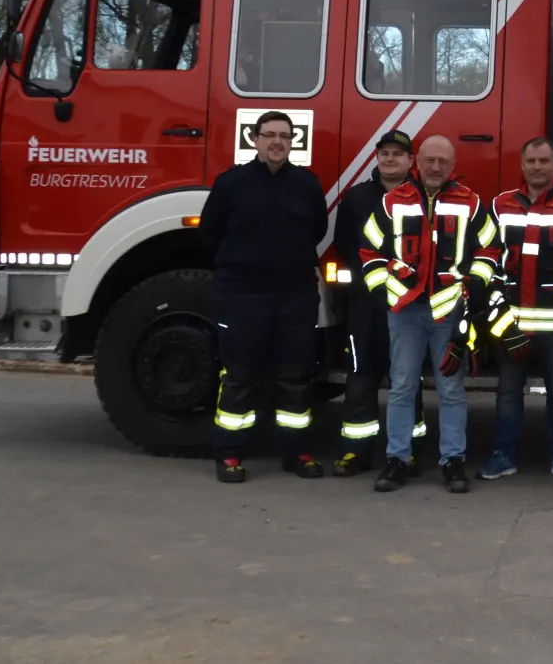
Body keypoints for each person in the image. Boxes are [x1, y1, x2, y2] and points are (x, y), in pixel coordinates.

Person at [359, 135, 493, 494]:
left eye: (443, 162)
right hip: (404, 311)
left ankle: (453, 461)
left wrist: (473, 287)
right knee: (402, 387)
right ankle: (397, 460)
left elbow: (491, 250)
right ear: (417, 161)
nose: (436, 168)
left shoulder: (472, 202)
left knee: (452, 389)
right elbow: (369, 249)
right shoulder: (392, 202)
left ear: (453, 165)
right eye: (430, 160)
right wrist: (382, 290)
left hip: (450, 312)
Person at [201, 111, 328, 483]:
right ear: (254, 139)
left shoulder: (307, 185)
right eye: (269, 135)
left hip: (295, 294)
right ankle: (228, 455)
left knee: (295, 376)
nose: (277, 142)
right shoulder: (231, 184)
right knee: (240, 375)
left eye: (285, 136)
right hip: (244, 294)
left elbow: (317, 230)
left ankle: (296, 452)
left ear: (293, 142)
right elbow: (210, 234)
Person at [477, 137, 553, 482]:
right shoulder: (501, 206)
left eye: (543, 161)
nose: (537, 167)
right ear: (522, 165)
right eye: (531, 161)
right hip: (511, 322)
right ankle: (503, 454)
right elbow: (487, 261)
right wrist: (499, 319)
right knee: (507, 393)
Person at [330, 129, 426, 478]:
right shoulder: (356, 199)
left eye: (397, 154)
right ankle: (357, 452)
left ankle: (408, 451)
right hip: (366, 303)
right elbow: (344, 245)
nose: (390, 159)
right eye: (384, 153)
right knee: (361, 376)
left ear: (410, 161)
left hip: (408, 304)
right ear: (376, 157)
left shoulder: (420, 199)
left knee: (407, 379)